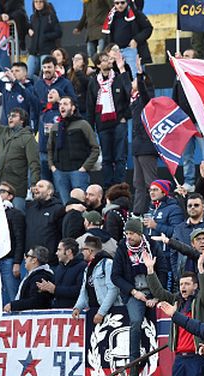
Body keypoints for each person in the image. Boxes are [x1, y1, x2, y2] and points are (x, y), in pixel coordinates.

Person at [145, 252, 204, 376]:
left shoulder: (200, 301)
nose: (183, 287)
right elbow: (159, 292)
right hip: (180, 359)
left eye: (187, 284)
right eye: (181, 284)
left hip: (197, 357)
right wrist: (150, 270)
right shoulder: (177, 301)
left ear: (195, 286)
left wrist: (201, 269)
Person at [110, 218, 169, 376]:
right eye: (127, 233)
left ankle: (163, 361)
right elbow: (115, 276)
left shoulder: (153, 246)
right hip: (134, 292)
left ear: (140, 233)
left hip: (154, 290)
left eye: (131, 234)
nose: (128, 237)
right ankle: (134, 362)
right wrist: (133, 292)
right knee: (135, 321)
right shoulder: (122, 248)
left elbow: (163, 270)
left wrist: (158, 296)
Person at [0, 95, 39, 212]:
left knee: (18, 217)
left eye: (14, 116)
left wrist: (34, 183)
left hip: (18, 187)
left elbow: (34, 163)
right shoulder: (2, 131)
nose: (10, 118)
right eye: (9, 115)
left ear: (22, 120)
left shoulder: (28, 138)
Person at [86, 51, 131, 188]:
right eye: (104, 60)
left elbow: (129, 94)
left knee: (120, 157)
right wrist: (91, 128)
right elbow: (90, 105)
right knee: (106, 159)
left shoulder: (118, 78)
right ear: (98, 65)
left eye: (109, 59)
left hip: (119, 122)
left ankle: (120, 186)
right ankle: (108, 187)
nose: (109, 61)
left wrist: (124, 117)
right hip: (102, 125)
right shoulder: (93, 82)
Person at [173, 49, 204, 192]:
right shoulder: (178, 77)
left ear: (194, 60)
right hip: (185, 122)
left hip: (200, 121)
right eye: (183, 55)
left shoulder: (198, 75)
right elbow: (175, 98)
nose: (183, 57)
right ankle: (189, 182)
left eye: (187, 56)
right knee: (187, 155)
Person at [47, 96, 100, 198]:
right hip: (60, 172)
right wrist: (52, 167)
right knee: (65, 205)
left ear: (73, 107)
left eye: (65, 104)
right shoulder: (55, 127)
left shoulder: (83, 125)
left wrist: (84, 167)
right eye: (60, 104)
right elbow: (50, 149)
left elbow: (95, 148)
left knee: (81, 204)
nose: (62, 107)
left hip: (78, 171)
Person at [130, 58, 158, 215]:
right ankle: (137, 213)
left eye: (136, 80)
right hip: (137, 147)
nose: (133, 82)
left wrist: (140, 74)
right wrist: (121, 68)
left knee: (150, 182)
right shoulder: (134, 101)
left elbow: (144, 90)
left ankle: (156, 209)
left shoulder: (148, 100)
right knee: (138, 183)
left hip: (146, 147)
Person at [73, 236, 121, 324]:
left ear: (90, 251)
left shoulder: (108, 264)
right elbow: (84, 291)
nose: (82, 252)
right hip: (94, 311)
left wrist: (101, 312)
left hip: (111, 313)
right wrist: (78, 307)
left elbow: (113, 290)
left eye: (83, 249)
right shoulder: (88, 268)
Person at [144, 180, 185, 275]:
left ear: (164, 192)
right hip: (151, 255)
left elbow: (177, 232)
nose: (152, 192)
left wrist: (156, 226)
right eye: (150, 190)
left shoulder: (174, 208)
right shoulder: (151, 209)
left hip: (166, 255)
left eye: (155, 190)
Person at [102, 0, 153, 74]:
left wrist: (136, 40)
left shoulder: (136, 14)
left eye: (122, 2)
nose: (120, 5)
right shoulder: (111, 17)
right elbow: (107, 36)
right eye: (117, 3)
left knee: (137, 79)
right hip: (117, 53)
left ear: (127, 2)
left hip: (134, 52)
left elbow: (148, 28)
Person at [172, 193, 204, 276]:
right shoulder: (179, 229)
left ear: (203, 207)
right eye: (189, 206)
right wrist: (177, 274)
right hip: (185, 277)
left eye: (196, 205)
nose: (192, 207)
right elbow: (174, 254)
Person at [36, 238, 86, 308]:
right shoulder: (59, 267)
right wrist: (46, 288)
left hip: (73, 312)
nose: (56, 253)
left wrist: (55, 289)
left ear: (68, 251)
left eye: (59, 250)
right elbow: (55, 288)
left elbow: (79, 290)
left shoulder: (82, 266)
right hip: (58, 310)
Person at [25, 180, 64, 265]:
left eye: (41, 186)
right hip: (30, 260)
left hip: (50, 262)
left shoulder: (58, 209)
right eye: (36, 186)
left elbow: (62, 234)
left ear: (49, 191)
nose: (36, 188)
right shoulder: (30, 208)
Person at [0, 181, 26, 304]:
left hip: (8, 260)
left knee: (12, 295)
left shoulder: (15, 214)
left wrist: (17, 262)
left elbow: (20, 239)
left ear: (10, 196)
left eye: (2, 191)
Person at [4, 246, 53, 312]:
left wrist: (13, 305)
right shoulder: (33, 275)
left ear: (34, 260)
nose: (25, 258)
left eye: (27, 256)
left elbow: (36, 302)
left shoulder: (41, 277)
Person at [26, 0, 62, 77]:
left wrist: (46, 36)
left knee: (44, 75)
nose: (38, 4)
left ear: (44, 3)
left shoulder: (51, 16)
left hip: (46, 50)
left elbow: (59, 32)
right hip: (33, 51)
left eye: (40, 2)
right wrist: (28, 29)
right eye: (36, 2)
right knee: (28, 75)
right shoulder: (32, 17)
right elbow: (29, 27)